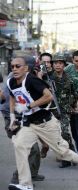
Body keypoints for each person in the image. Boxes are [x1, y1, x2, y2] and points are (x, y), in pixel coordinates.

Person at [7, 57, 78, 190]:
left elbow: (49, 96)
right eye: (12, 66)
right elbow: (13, 96)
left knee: (62, 153)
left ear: (25, 68)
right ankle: (25, 184)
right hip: (29, 124)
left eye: (18, 66)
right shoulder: (11, 82)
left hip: (46, 123)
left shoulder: (32, 80)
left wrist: (29, 106)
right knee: (19, 146)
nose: (14, 69)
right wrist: (13, 116)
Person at [1, 56, 45, 185]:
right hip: (12, 116)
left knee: (34, 148)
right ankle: (17, 178)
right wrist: (12, 120)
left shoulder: (28, 77)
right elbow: (8, 100)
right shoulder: (14, 78)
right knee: (30, 148)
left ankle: (33, 174)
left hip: (24, 115)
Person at [50, 55, 76, 168]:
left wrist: (73, 105)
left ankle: (67, 158)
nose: (57, 65)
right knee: (56, 134)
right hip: (52, 110)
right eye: (55, 63)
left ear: (64, 65)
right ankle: (73, 153)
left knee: (64, 132)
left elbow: (74, 93)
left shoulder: (70, 78)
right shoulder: (49, 78)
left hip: (65, 110)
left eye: (60, 63)